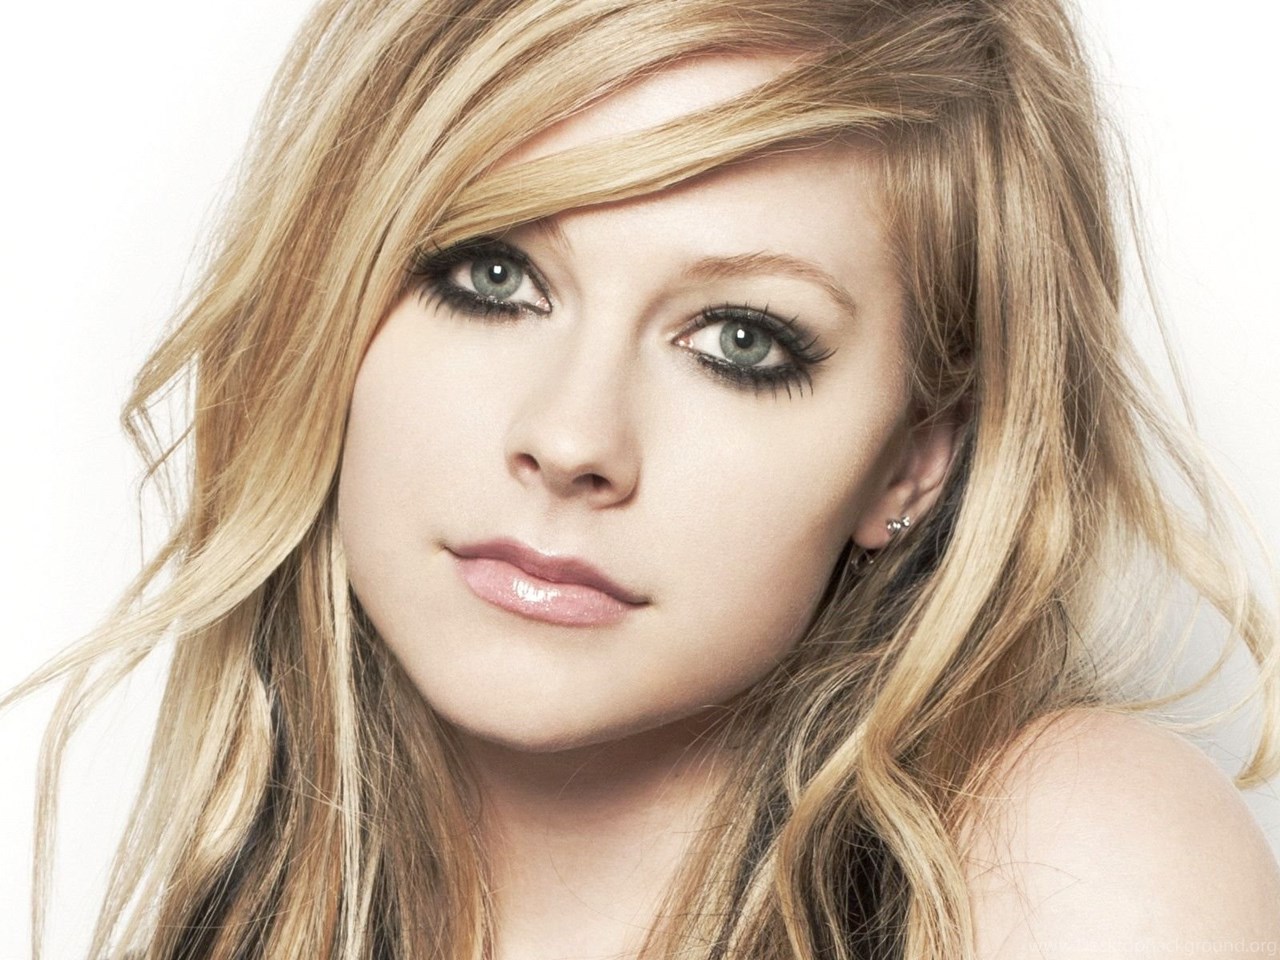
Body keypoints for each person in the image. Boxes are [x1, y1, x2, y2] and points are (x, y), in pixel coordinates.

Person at [4, 0, 1279, 957]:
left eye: (740, 342)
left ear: (911, 459)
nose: (570, 440)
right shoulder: (248, 900)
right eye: (492, 276)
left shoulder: (1059, 860)